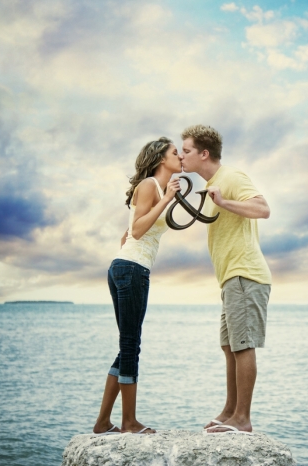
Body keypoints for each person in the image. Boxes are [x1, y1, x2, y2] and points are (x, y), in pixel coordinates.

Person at [178, 124, 272, 434]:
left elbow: (263, 209)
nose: (181, 154)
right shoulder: (212, 183)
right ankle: (230, 411)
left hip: (245, 273)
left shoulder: (231, 177)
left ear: (204, 154)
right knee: (229, 346)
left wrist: (224, 202)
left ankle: (242, 420)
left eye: (187, 150)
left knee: (243, 346)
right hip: (231, 278)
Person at [92, 137, 182, 435]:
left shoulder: (154, 189)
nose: (180, 155)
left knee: (126, 346)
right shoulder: (150, 186)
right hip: (132, 269)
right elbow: (138, 229)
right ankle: (129, 422)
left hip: (126, 265)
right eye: (174, 152)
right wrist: (167, 199)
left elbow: (127, 233)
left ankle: (103, 422)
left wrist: (166, 198)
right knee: (131, 345)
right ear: (160, 158)